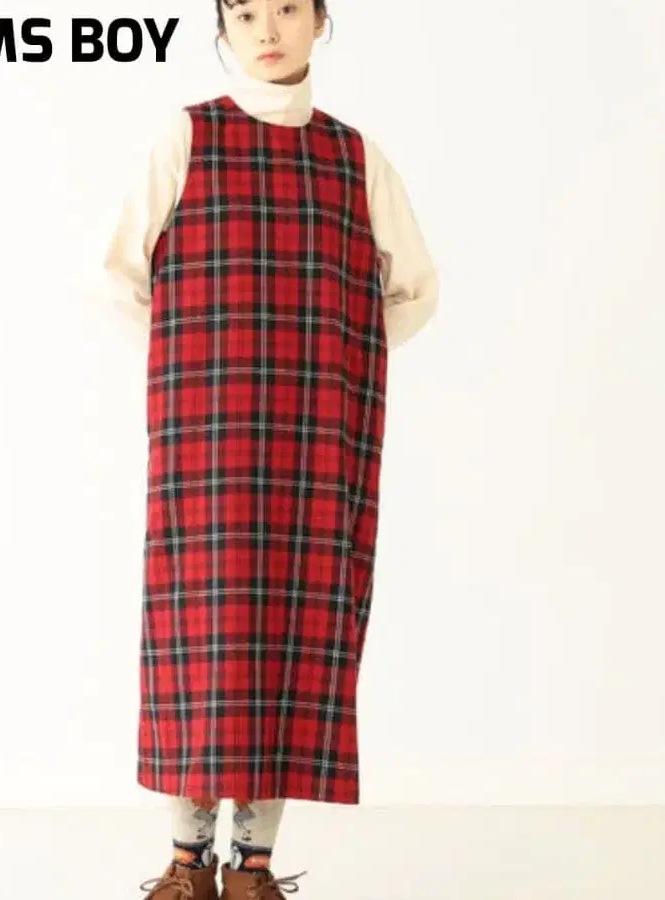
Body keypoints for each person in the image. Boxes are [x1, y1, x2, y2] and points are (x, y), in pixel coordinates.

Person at [101, 1, 439, 897]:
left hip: (315, 432)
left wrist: (337, 362)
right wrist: (189, 366)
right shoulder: (187, 135)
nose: (267, 29)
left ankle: (252, 865)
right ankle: (187, 861)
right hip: (204, 432)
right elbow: (120, 275)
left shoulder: (355, 156)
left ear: (319, 20)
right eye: (244, 12)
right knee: (197, 627)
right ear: (225, 27)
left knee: (293, 626)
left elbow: (413, 288)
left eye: (287, 7)